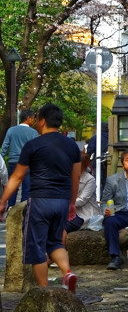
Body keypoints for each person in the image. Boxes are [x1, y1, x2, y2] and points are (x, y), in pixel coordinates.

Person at [0, 103, 81, 292]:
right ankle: (67, 272)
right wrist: (71, 202)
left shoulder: (33, 145)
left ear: (43, 121)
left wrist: (3, 200)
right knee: (54, 242)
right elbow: (75, 176)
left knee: (36, 247)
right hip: (61, 201)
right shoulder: (72, 146)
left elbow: (17, 176)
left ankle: (44, 292)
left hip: (39, 201)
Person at [1, 109, 39, 204]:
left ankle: (10, 208)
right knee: (26, 189)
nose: (34, 120)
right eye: (33, 118)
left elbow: (5, 147)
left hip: (13, 162)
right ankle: (23, 210)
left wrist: (1, 160)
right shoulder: (33, 132)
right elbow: (36, 150)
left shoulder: (11, 130)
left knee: (12, 187)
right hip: (27, 164)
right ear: (28, 118)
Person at [66, 149, 101, 233]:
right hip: (68, 211)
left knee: (63, 227)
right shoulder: (67, 176)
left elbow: (82, 200)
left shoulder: (90, 180)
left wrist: (65, 205)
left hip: (83, 214)